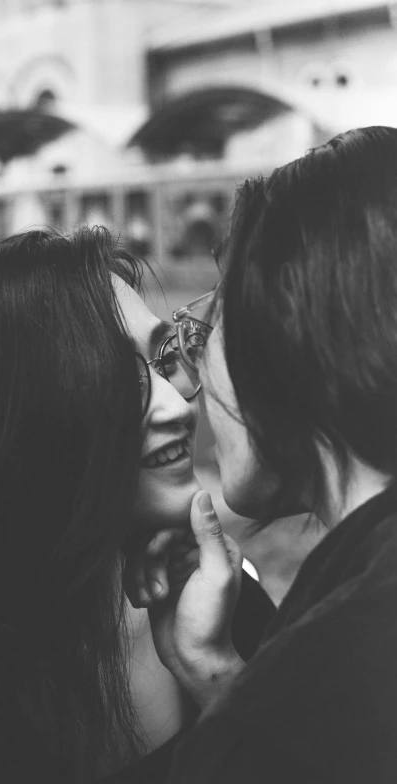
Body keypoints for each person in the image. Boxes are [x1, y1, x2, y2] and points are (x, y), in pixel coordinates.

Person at [0, 227, 273, 784]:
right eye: (116, 377)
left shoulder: (219, 606)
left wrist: (211, 671)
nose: (177, 406)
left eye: (161, 363)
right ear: (12, 426)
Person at [127, 126, 397, 783]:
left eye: (205, 331)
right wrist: (215, 671)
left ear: (280, 332)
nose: (184, 397)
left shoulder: (312, 691)